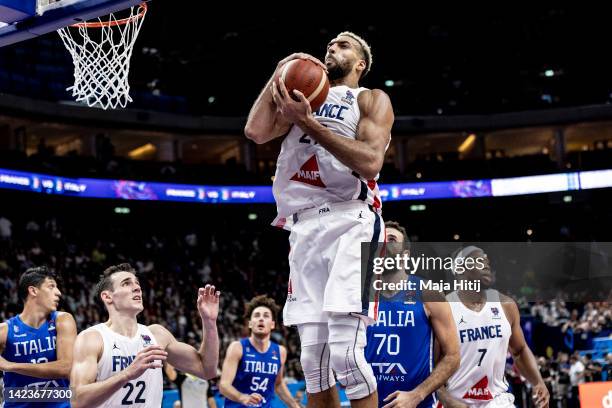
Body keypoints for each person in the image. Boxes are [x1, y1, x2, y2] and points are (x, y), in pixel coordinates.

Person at [245, 31, 394, 408]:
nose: (332, 47)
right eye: (330, 44)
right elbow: (256, 131)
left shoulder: (370, 98)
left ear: (360, 63)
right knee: (313, 362)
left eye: (343, 45)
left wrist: (308, 123)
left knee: (346, 354)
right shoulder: (304, 95)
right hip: (304, 225)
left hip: (351, 221)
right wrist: (280, 73)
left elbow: (370, 163)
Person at [70, 263, 220, 408]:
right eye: (126, 283)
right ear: (107, 297)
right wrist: (127, 374)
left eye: (137, 283)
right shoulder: (92, 338)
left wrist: (209, 321)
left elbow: (207, 370)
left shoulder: (157, 334)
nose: (137, 288)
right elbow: (77, 400)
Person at [436, 247, 549, 408]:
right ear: (460, 269)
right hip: (455, 400)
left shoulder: (506, 305)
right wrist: (447, 400)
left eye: (487, 261)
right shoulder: (443, 309)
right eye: (479, 260)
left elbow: (520, 350)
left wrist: (537, 381)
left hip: (496, 400)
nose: (487, 265)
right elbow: (428, 368)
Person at [365, 221, 460, 408]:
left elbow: (453, 356)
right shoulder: (359, 296)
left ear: (405, 255)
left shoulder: (428, 292)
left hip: (418, 404)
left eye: (391, 240)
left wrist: (417, 395)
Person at [0, 266, 77, 408]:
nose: (59, 293)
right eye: (51, 286)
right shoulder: (5, 330)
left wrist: (10, 366)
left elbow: (66, 368)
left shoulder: (63, 320)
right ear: (33, 290)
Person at [219, 295, 299, 408]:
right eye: (257, 316)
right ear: (250, 323)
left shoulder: (280, 351)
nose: (261, 318)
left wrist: (295, 405)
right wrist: (243, 397)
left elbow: (278, 383)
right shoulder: (237, 347)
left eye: (266, 316)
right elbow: (224, 385)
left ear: (272, 325)